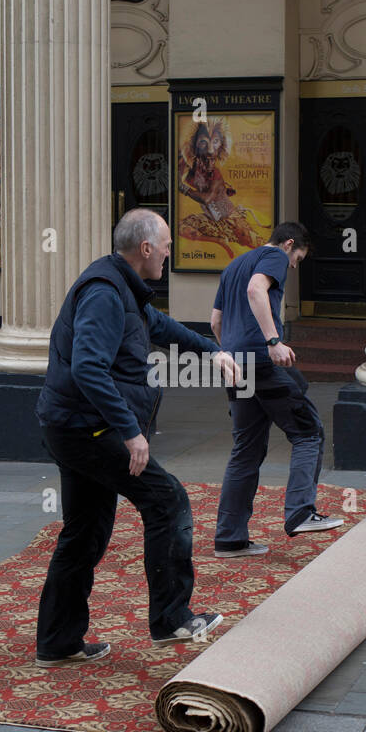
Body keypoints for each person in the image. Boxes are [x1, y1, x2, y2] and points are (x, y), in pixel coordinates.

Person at [33, 208, 240, 667]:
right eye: (166, 245)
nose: (169, 253)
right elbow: (87, 367)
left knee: (85, 531)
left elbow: (161, 327)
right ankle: (171, 618)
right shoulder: (105, 294)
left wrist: (214, 351)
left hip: (73, 424)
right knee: (168, 502)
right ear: (145, 249)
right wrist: (130, 434)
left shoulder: (124, 289)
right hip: (87, 428)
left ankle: (58, 641)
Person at [210, 222, 343, 558]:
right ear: (288, 244)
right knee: (308, 432)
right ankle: (301, 511)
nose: (294, 266)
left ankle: (230, 538)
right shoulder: (274, 258)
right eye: (297, 257)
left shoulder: (234, 264)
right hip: (261, 362)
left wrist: (230, 353)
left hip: (236, 365)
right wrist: (272, 341)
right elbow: (257, 290)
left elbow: (215, 321)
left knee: (246, 449)